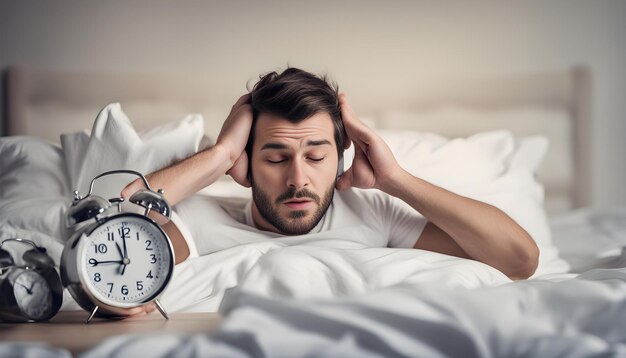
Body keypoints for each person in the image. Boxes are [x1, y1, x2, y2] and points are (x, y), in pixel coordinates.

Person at [122, 68, 539, 315]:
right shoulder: (199, 221)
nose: (298, 179)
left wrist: (396, 179)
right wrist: (220, 153)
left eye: (316, 157)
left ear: (340, 159)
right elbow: (111, 237)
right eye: (275, 157)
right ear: (246, 166)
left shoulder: (374, 213)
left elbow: (520, 260)